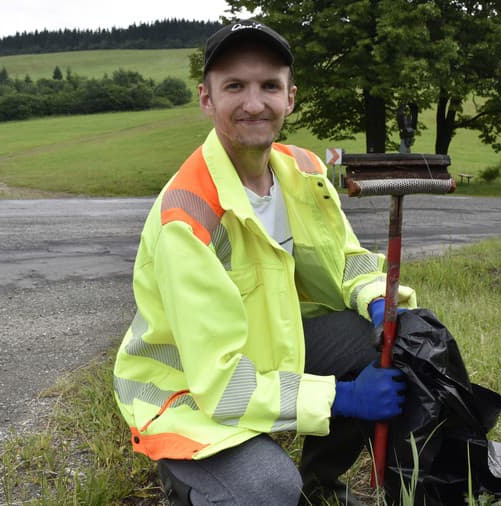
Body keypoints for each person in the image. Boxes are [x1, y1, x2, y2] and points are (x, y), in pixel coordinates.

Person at [112, 20, 414, 505]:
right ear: (206, 99)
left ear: (290, 98)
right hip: (189, 391)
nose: (254, 103)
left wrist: (379, 300)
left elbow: (348, 260)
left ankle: (322, 489)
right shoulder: (186, 217)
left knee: (383, 340)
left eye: (269, 86)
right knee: (270, 489)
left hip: (265, 351)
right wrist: (342, 398)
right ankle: (187, 481)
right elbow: (221, 383)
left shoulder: (304, 171)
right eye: (235, 86)